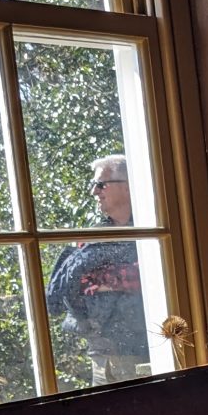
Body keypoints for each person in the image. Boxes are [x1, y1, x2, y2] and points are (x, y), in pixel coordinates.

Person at [45, 154, 148, 382]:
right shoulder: (94, 238)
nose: (94, 191)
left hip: (138, 351)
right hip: (101, 351)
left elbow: (150, 276)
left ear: (128, 187)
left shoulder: (149, 231)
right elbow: (72, 285)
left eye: (101, 184)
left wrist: (105, 280)